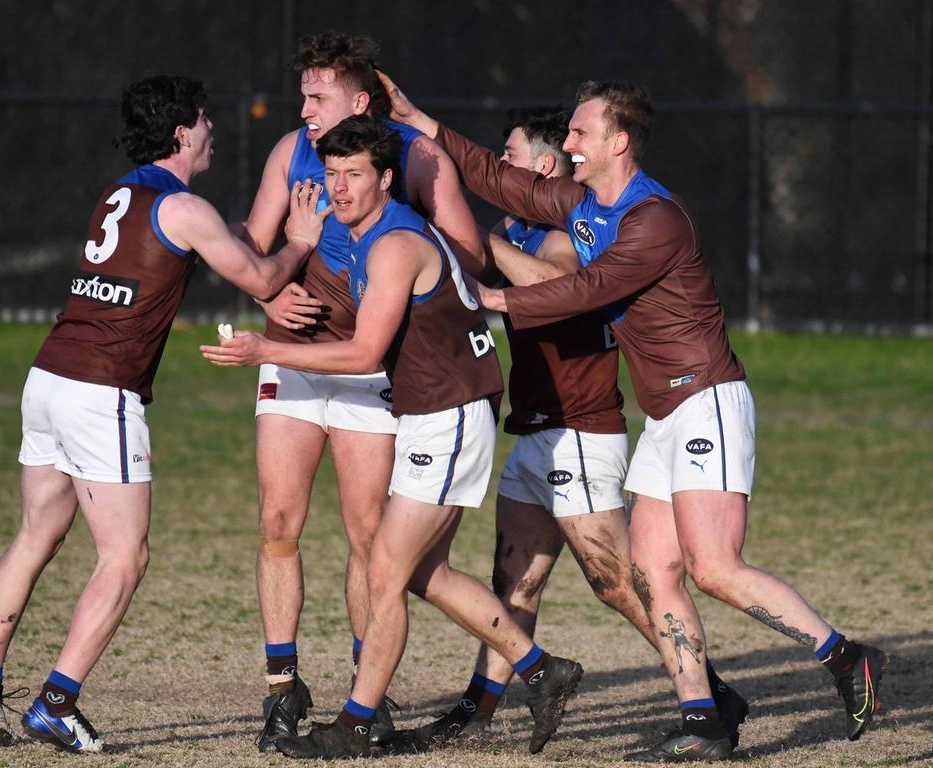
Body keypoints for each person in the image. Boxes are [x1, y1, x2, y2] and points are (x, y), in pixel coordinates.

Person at [379, 72, 886, 762]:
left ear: (619, 140)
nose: (570, 145)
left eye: (582, 133)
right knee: (653, 575)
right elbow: (500, 182)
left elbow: (590, 287)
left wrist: (498, 301)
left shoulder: (655, 219)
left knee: (713, 568)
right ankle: (704, 719)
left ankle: (845, 656)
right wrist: (420, 119)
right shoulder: (586, 205)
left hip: (707, 397)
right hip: (665, 414)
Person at [0, 74, 328, 754]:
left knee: (38, 532)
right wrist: (299, 240)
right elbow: (265, 279)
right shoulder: (183, 206)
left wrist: (257, 242)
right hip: (102, 393)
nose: (213, 129)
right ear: (181, 131)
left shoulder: (123, 191)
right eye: (205, 120)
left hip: (50, 375)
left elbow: (200, 247)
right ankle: (57, 703)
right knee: (125, 556)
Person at [202, 115, 583, 760]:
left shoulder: (393, 245)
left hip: (451, 413)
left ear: (385, 179)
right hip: (440, 411)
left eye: (354, 175)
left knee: (384, 567)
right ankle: (544, 672)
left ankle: (357, 721)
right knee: (418, 571)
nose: (339, 187)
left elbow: (364, 353)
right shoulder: (366, 235)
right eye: (331, 174)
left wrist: (268, 348)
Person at [401, 108, 748, 752]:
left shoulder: (571, 230)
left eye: (511, 155)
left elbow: (561, 283)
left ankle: (710, 695)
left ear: (543, 166)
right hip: (534, 429)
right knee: (514, 579)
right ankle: (479, 707)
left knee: (617, 583)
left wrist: (482, 245)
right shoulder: (517, 224)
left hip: (581, 431)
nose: (499, 166)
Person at [233, 32, 485, 751]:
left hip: (371, 370)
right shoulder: (290, 152)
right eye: (302, 94)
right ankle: (282, 688)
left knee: (368, 534)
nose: (304, 107)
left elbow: (461, 251)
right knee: (278, 519)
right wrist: (267, 299)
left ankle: (362, 695)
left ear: (360, 99)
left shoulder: (408, 157)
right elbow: (253, 246)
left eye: (317, 95)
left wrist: (412, 300)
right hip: (295, 359)